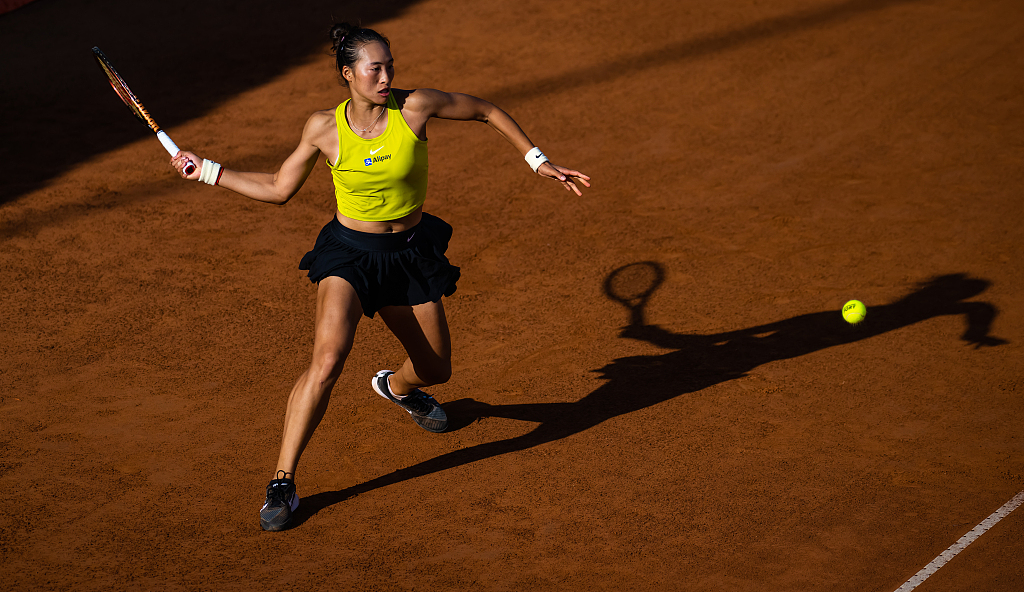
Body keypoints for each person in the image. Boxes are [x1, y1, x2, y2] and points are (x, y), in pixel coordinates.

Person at [171, 22, 590, 532]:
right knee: (327, 359)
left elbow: (485, 110)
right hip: (349, 255)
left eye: (390, 66)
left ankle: (396, 386)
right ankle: (283, 480)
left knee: (436, 371)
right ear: (349, 75)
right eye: (376, 68)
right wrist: (208, 170)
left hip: (409, 255)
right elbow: (280, 188)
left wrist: (538, 161)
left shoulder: (415, 108)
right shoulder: (323, 128)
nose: (387, 76)